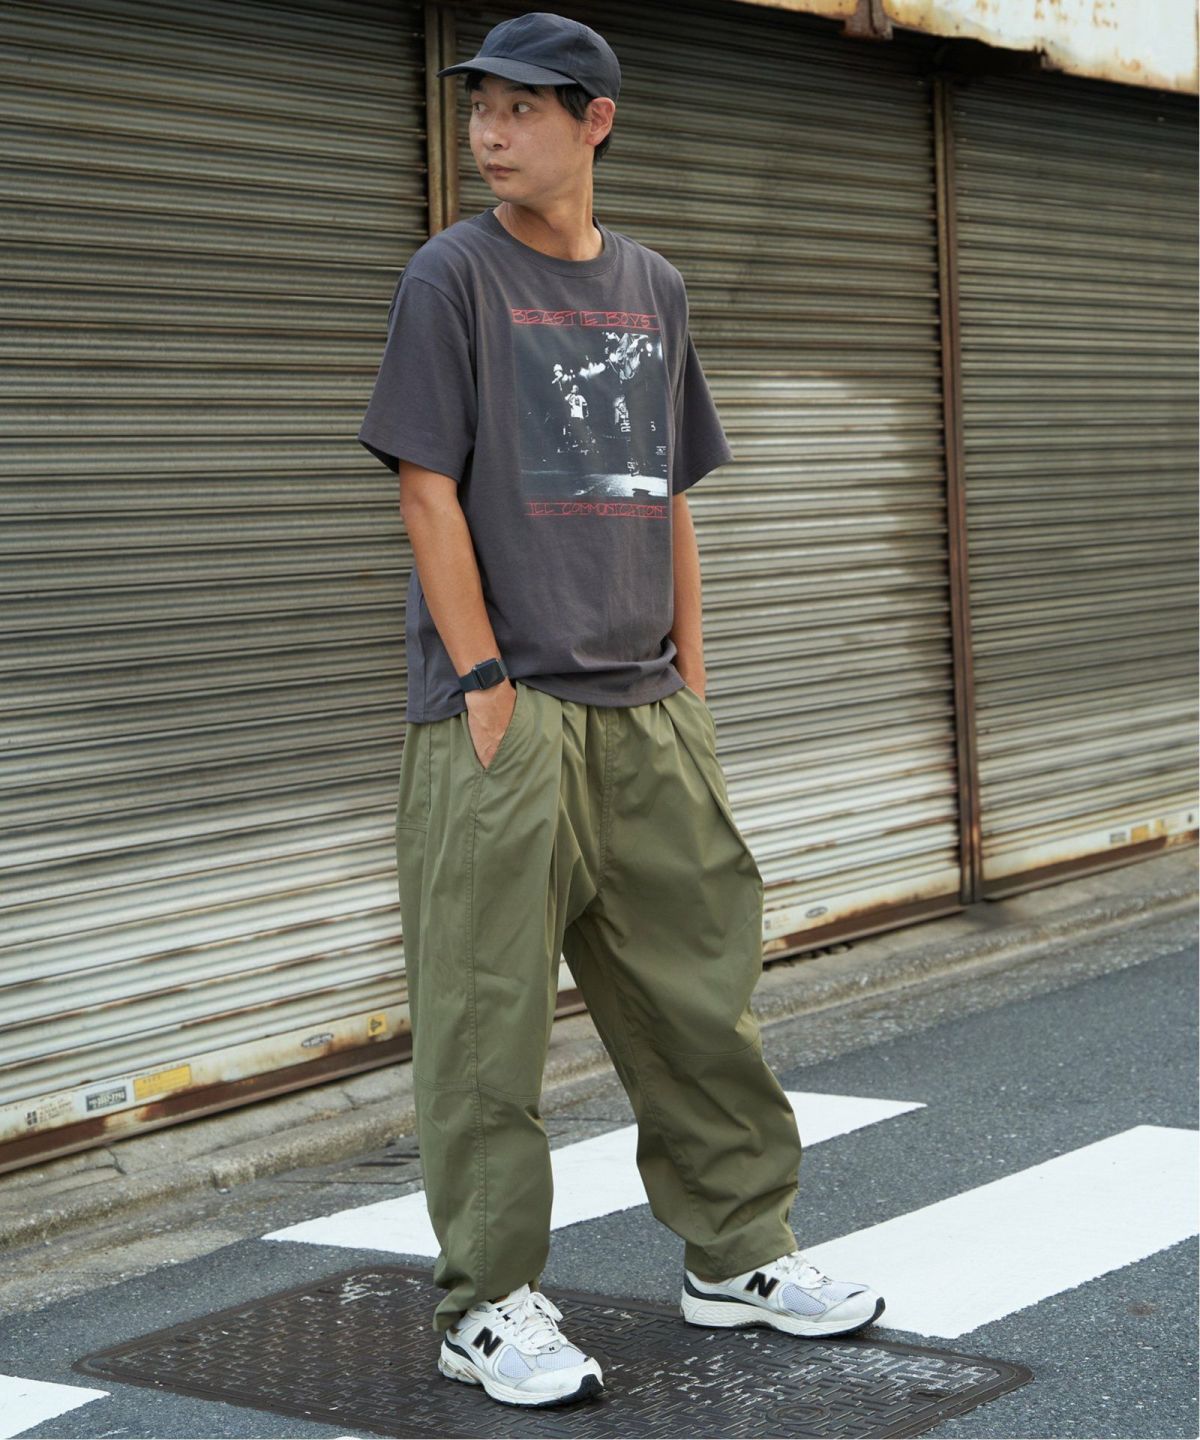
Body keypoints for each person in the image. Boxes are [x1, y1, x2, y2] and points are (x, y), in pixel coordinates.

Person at [356, 10, 885, 1410]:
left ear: (595, 120)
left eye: (520, 109)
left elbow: (670, 494)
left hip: (646, 711)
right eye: (479, 107)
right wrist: (484, 686)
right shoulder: (451, 278)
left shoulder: (653, 287)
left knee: (701, 1003)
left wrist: (692, 682)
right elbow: (424, 488)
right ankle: (487, 1305)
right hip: (506, 716)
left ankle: (739, 1253)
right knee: (486, 1025)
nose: (489, 133)